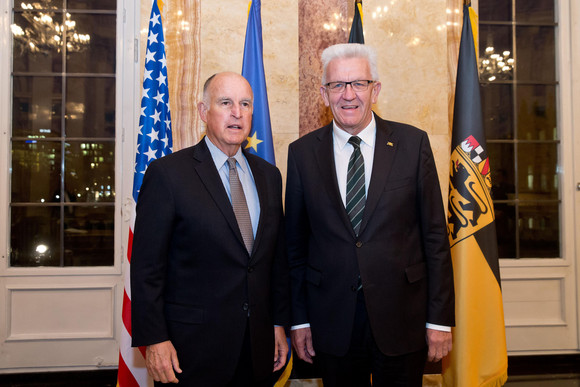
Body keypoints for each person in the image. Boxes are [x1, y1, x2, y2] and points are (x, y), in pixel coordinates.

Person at [285, 43, 455, 386]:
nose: (348, 95)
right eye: (337, 85)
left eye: (358, 83)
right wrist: (300, 320)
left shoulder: (412, 144)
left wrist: (438, 320)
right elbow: (295, 247)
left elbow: (435, 237)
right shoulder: (302, 154)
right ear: (323, 93)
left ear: (375, 90)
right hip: (332, 320)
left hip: (402, 316)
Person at [131, 72, 289, 386]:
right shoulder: (168, 175)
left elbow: (275, 261)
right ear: (204, 112)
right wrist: (155, 339)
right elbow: (148, 267)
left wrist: (278, 324)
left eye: (245, 104)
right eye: (226, 103)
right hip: (191, 351)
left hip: (257, 348)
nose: (237, 113)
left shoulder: (269, 176)